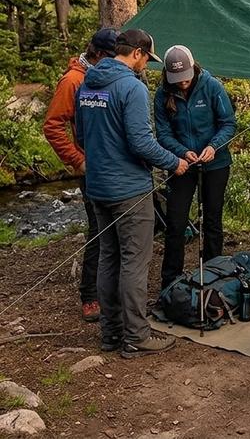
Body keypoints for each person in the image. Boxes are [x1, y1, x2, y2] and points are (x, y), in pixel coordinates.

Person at [75, 29, 189, 358]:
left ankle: (110, 334)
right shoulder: (131, 88)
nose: (145, 67)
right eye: (146, 60)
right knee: (134, 264)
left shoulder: (87, 84)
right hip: (129, 190)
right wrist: (174, 162)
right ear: (136, 53)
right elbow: (141, 142)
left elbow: (81, 135)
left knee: (108, 259)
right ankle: (137, 336)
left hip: (97, 187)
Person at [42, 27, 119, 322]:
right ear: (98, 55)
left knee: (117, 231)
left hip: (112, 166)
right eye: (110, 56)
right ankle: (89, 296)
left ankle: (109, 290)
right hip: (91, 169)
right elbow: (52, 125)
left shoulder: (106, 77)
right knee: (99, 231)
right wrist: (77, 160)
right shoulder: (73, 80)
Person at [155, 45, 236, 290]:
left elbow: (228, 124)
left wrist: (213, 146)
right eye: (177, 79)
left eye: (186, 77)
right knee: (176, 222)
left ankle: (214, 274)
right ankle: (170, 279)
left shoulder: (212, 86)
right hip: (181, 165)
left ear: (194, 67)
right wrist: (182, 152)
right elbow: (163, 133)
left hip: (216, 163)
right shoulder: (162, 94)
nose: (182, 83)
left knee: (212, 220)